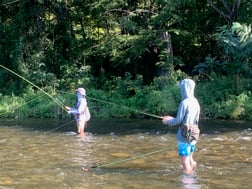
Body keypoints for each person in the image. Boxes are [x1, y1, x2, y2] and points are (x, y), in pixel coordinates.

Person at [162, 79, 200, 173]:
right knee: (191, 160)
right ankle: (194, 175)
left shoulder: (184, 103)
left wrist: (167, 121)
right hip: (193, 135)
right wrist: (171, 118)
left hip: (184, 136)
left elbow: (178, 121)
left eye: (182, 88)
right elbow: (194, 119)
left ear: (185, 89)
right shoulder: (195, 102)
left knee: (185, 163)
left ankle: (188, 184)